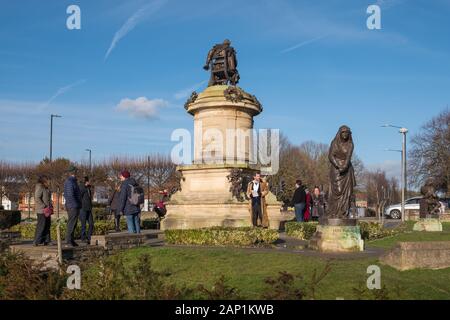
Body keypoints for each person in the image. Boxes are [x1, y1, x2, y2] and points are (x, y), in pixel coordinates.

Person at [63, 165, 82, 247]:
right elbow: (70, 195)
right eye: (76, 171)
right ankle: (68, 241)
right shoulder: (70, 182)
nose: (77, 172)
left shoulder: (73, 181)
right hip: (72, 206)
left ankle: (71, 240)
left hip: (73, 205)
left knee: (73, 223)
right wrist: (75, 204)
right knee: (71, 223)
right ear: (74, 172)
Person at [33, 175, 52, 246]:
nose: (49, 182)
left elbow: (47, 198)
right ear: (44, 181)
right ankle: (36, 241)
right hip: (41, 210)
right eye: (48, 180)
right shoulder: (40, 187)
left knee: (47, 225)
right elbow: (37, 197)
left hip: (47, 210)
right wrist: (43, 205)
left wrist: (50, 205)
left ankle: (47, 240)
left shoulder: (46, 188)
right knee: (41, 225)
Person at [79, 176, 94, 244]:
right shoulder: (81, 188)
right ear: (86, 181)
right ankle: (83, 237)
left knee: (91, 223)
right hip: (83, 208)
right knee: (83, 224)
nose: (90, 182)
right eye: (89, 181)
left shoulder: (88, 188)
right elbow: (79, 197)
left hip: (89, 208)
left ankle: (89, 237)